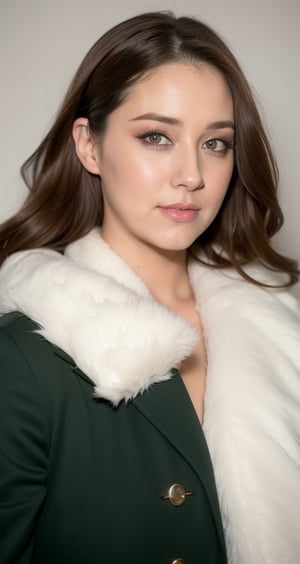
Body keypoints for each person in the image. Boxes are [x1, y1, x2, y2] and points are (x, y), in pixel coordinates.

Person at [0, 11, 299, 564]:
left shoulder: (285, 335)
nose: (191, 174)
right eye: (156, 137)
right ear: (89, 146)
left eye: (216, 143)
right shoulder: (21, 357)